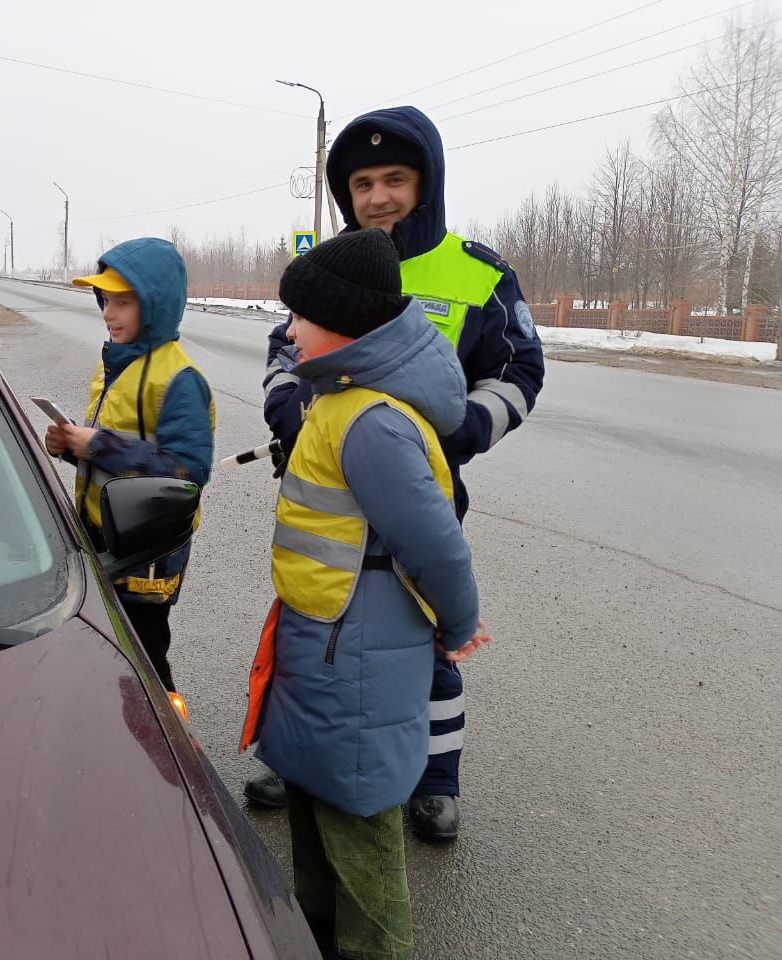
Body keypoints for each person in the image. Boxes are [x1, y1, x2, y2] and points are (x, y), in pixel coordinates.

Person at [245, 105, 545, 841]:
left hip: (419, 486)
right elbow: (284, 354)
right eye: (362, 183)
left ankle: (436, 779)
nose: (377, 196)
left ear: (426, 182)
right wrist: (291, 415)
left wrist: (463, 432)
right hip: (328, 494)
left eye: (395, 179)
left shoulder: (477, 273)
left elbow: (519, 370)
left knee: (423, 640)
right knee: (315, 626)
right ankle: (304, 756)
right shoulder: (330, 267)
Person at [240, 228, 490, 960]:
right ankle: (317, 942)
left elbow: (437, 542)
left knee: (362, 842)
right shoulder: (340, 399)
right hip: (327, 649)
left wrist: (459, 621)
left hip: (355, 669)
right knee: (319, 815)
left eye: (300, 317)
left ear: (344, 322)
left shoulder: (372, 421)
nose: (288, 330)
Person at [44, 237, 215, 692]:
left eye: (123, 302)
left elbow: (189, 472)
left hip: (148, 551)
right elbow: (109, 446)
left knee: (146, 657)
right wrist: (69, 443)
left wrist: (97, 444)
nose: (108, 313)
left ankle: (170, 743)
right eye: (105, 300)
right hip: (101, 536)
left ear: (155, 304)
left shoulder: (181, 380)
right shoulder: (113, 364)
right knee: (107, 649)